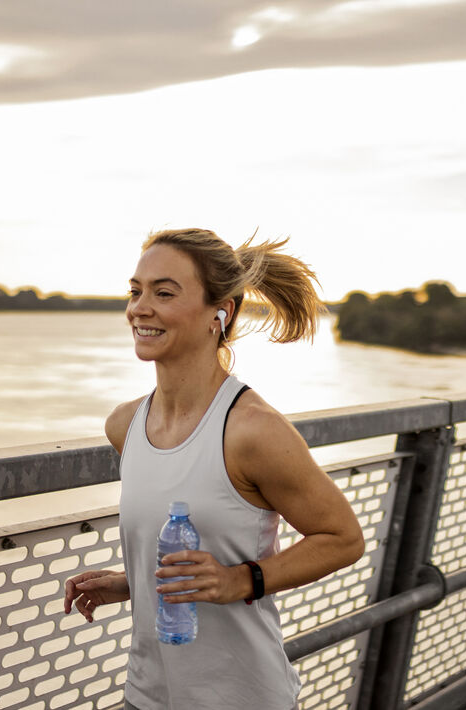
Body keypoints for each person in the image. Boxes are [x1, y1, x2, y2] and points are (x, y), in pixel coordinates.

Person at [63, 228, 366, 709]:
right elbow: (200, 531)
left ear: (219, 313)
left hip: (241, 697)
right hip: (147, 694)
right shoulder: (125, 425)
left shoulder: (253, 431)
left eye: (164, 293)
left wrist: (239, 581)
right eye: (135, 290)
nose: (140, 307)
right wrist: (135, 580)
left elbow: (344, 538)